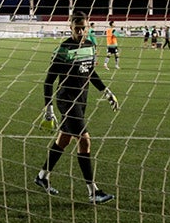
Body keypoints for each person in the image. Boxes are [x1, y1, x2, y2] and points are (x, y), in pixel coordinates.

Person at [35, 11, 119, 204]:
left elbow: (90, 72)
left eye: (83, 28)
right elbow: (48, 82)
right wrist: (48, 109)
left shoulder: (90, 46)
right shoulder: (63, 50)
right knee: (85, 141)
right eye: (77, 28)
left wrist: (106, 92)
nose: (80, 32)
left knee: (64, 139)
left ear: (88, 27)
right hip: (66, 100)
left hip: (82, 100)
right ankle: (93, 191)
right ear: (70, 27)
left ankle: (42, 176)